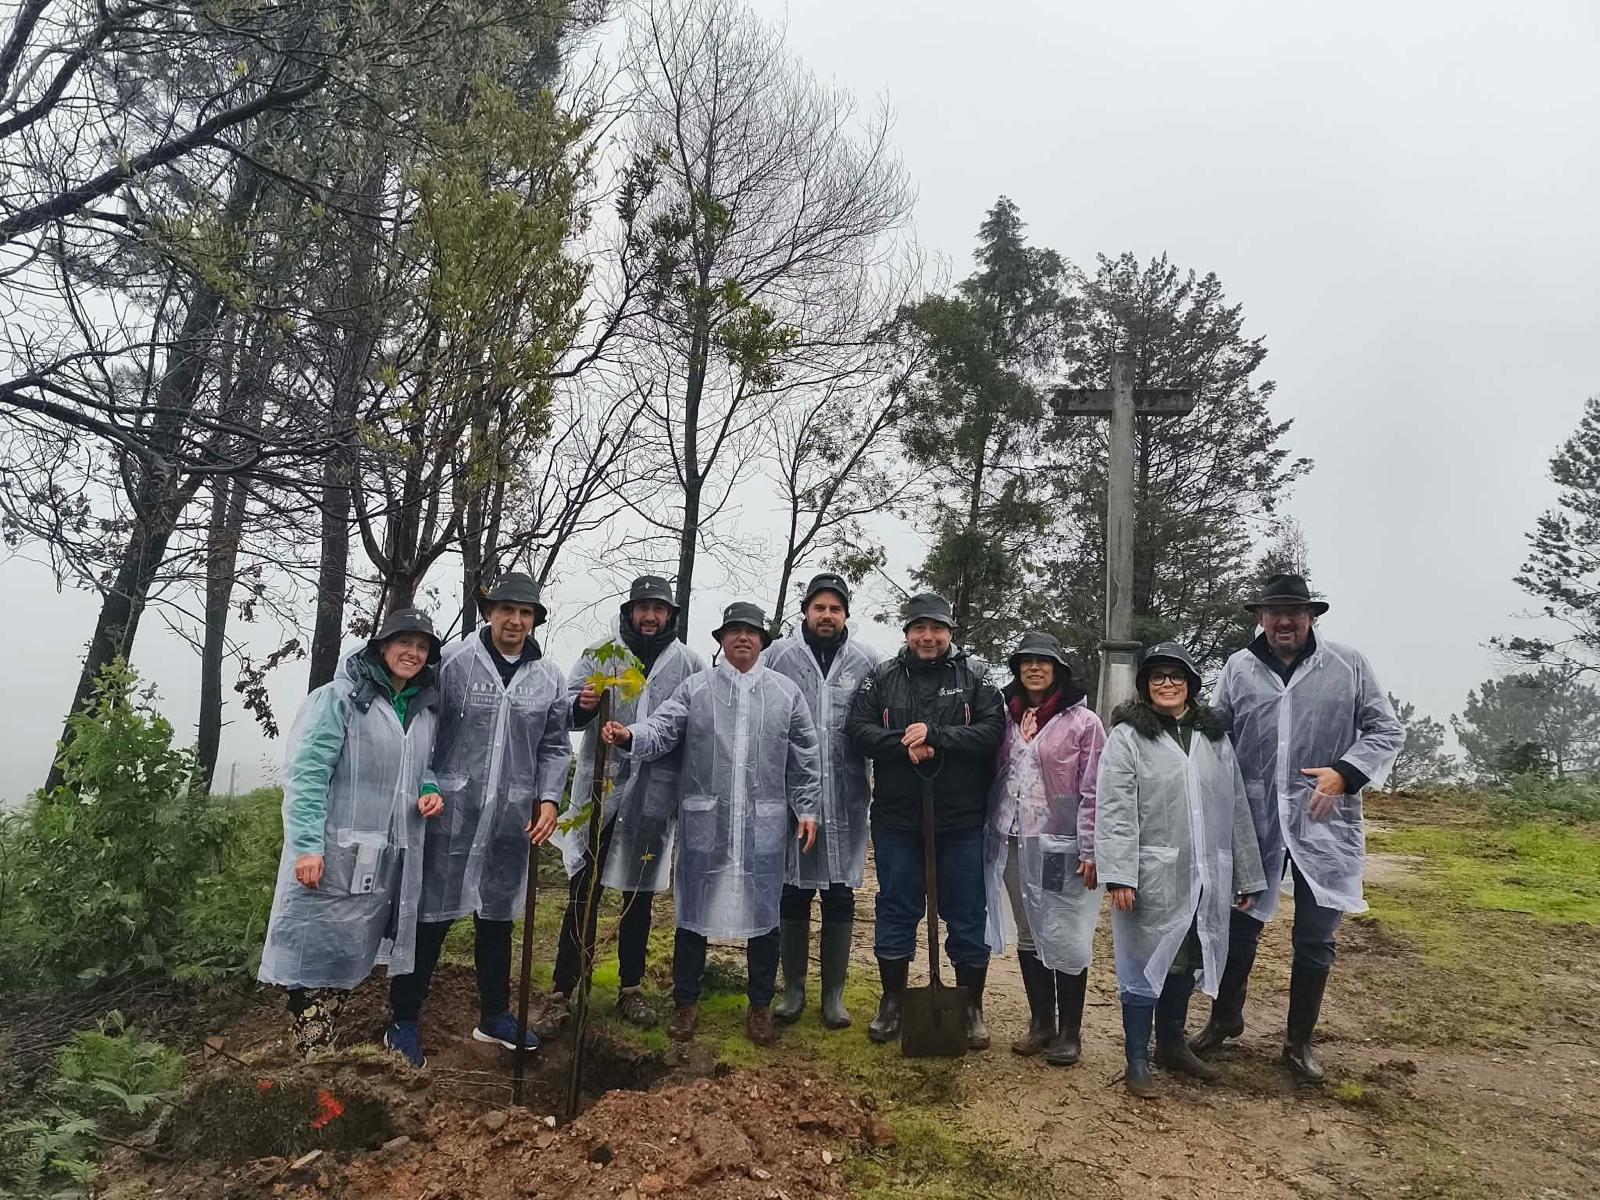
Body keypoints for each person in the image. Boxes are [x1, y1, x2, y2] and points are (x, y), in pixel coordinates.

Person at [1190, 574, 1404, 1083]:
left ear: (1311, 617)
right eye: (1274, 612)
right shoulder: (1239, 669)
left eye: (1294, 612)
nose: (1284, 621)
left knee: (1315, 936)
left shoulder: (1347, 665)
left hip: (1323, 823)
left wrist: (1345, 773)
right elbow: (1216, 733)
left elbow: (1386, 729)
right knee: (1239, 926)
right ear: (1260, 618)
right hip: (1255, 822)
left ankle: (1299, 1042)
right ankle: (1225, 1019)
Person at [600, 602, 821, 1046]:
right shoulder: (696, 689)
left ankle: (760, 1005)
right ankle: (686, 1003)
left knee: (765, 913)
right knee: (693, 913)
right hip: (707, 820)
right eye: (733, 631)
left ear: (762, 641)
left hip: (762, 823)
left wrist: (808, 808)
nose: (743, 638)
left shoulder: (785, 694)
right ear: (721, 640)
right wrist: (630, 735)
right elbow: (663, 729)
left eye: (751, 632)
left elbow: (805, 755)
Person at [382, 574, 571, 1067]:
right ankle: (403, 1019)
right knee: (431, 918)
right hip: (450, 814)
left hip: (511, 818)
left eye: (525, 613)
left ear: (534, 621)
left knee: (497, 918)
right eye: (506, 609)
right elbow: (422, 729)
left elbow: (554, 745)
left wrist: (549, 799)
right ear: (489, 613)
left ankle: (494, 1015)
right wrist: (425, 783)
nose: (515, 621)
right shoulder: (453, 663)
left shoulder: (549, 678)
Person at [259, 608, 445, 1060]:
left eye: (422, 647)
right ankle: (312, 1055)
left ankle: (321, 1051)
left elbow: (421, 766)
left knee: (349, 951)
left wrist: (429, 789)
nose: (413, 653)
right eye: (404, 642)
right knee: (315, 950)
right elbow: (308, 774)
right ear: (382, 647)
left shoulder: (422, 709)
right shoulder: (340, 698)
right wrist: (307, 846)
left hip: (383, 859)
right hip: (332, 852)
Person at [1095, 642, 1267, 1098]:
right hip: (1152, 873)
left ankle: (1171, 1044)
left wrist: (1247, 874)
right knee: (1142, 963)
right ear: (1145, 685)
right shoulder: (1129, 737)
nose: (1167, 683)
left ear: (1190, 684)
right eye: (1157, 676)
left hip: (1206, 873)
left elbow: (1235, 806)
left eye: (1176, 676)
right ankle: (1137, 1059)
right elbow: (1114, 808)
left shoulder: (1214, 738)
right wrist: (1120, 873)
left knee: (1187, 958)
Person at [846, 592, 1006, 1050]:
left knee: (966, 912)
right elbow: (858, 730)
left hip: (961, 819)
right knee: (896, 907)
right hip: (897, 818)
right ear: (907, 633)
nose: (928, 637)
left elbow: (992, 730)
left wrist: (939, 737)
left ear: (950, 632)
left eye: (937, 628)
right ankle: (893, 1001)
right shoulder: (881, 678)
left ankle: (970, 1006)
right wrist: (905, 743)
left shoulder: (975, 676)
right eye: (919, 628)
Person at [552, 575, 705, 1028]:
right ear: (630, 612)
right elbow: (566, 713)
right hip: (601, 792)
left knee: (638, 896)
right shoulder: (601, 655)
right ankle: (564, 987)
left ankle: (630, 987)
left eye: (659, 609)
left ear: (670, 615)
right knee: (585, 890)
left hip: (654, 797)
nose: (650, 616)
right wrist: (583, 705)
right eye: (643, 608)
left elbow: (695, 727)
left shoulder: (689, 664)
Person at [763, 573, 882, 1030]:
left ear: (846, 614)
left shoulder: (867, 661)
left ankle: (833, 994)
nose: (827, 616)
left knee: (839, 892)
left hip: (846, 793)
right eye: (819, 608)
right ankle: (793, 989)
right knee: (792, 888)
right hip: (789, 792)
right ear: (806, 612)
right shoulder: (779, 656)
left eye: (835, 609)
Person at [984, 631, 1106, 1066]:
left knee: (1065, 931)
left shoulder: (1083, 723)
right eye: (1026, 661)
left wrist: (1089, 847)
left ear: (1058, 670)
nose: (1034, 668)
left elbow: (1094, 789)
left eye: (1043, 661)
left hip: (1059, 845)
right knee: (1028, 930)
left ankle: (1070, 1031)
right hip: (1013, 839)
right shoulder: (1006, 717)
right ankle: (1042, 1023)